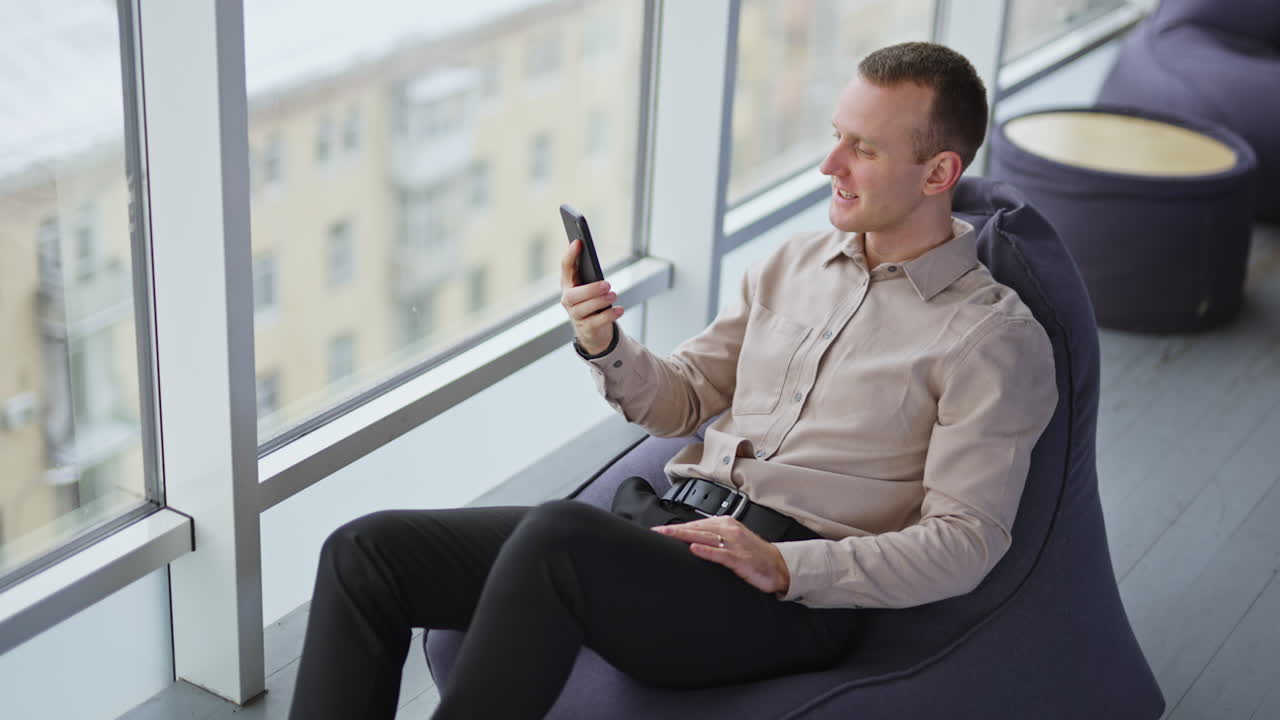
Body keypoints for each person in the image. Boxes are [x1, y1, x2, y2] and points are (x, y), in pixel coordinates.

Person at [287, 41, 1058, 720]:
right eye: (835, 137)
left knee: (561, 534)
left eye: (864, 149)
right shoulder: (793, 263)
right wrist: (604, 343)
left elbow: (966, 542)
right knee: (367, 552)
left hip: (780, 599)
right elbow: (681, 398)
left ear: (939, 172)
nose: (830, 165)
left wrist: (783, 565)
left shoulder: (991, 340)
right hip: (670, 533)